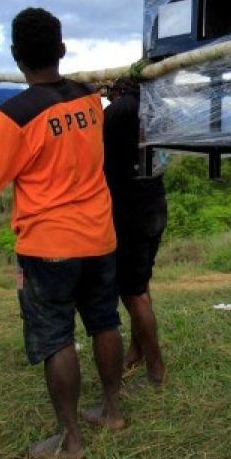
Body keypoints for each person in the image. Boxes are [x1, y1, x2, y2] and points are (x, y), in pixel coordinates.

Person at [0, 7, 125, 459]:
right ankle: (112, 410)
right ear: (63, 49)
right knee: (104, 321)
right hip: (99, 235)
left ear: (15, 57)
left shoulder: (13, 116)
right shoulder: (89, 100)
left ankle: (71, 441)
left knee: (55, 338)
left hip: (49, 246)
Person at [102, 78, 168, 385]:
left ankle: (156, 368)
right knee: (139, 284)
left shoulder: (118, 110)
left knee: (132, 292)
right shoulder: (154, 106)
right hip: (154, 204)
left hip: (129, 212)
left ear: (118, 89)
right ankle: (137, 351)